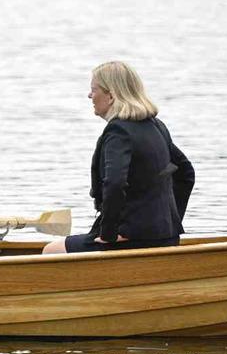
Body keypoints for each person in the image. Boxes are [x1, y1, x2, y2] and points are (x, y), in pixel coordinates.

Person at [43, 61, 194, 254]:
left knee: (51, 251)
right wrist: (169, 223)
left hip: (131, 238)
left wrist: (109, 234)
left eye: (94, 90)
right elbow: (186, 174)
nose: (89, 95)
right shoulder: (157, 126)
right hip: (166, 236)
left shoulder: (118, 131)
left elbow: (115, 183)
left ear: (111, 96)